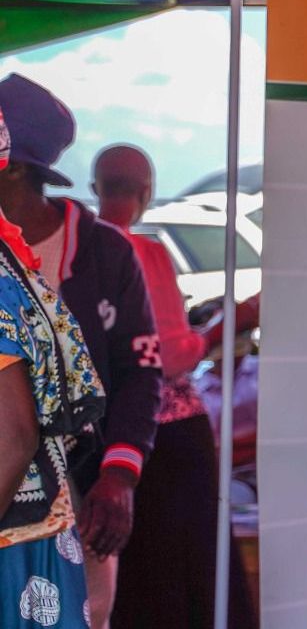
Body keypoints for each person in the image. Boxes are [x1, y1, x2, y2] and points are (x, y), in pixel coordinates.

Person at [0, 75, 161, 629]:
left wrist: (119, 475)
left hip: (76, 490)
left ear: (15, 165)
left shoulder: (102, 252)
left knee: (85, 615)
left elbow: (141, 372)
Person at [91, 144, 249, 629]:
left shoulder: (73, 252)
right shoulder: (142, 252)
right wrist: (233, 322)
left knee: (131, 579)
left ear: (96, 190)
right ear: (146, 192)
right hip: (165, 436)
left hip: (101, 437)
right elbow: (172, 355)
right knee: (188, 573)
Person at [0, 107, 105, 629]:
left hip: (16, 542)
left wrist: (121, 473)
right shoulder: (10, 261)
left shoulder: (4, 270)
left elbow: (12, 438)